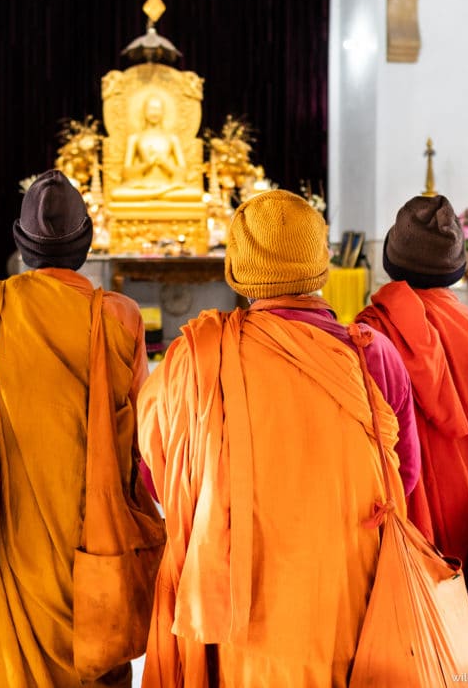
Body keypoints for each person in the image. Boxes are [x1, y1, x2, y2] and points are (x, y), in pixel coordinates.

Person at [138, 189, 420, 687]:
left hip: (243, 603)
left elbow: (159, 478)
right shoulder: (372, 355)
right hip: (352, 595)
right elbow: (407, 478)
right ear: (322, 265)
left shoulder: (197, 358)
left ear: (238, 273)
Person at [0, 169, 156, 687]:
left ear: (22, 247)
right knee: (93, 654)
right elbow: (145, 429)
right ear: (86, 246)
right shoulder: (121, 317)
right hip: (92, 534)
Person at [355, 194, 468, 685]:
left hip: (409, 520)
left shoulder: (372, 337)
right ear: (457, 269)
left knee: (413, 644)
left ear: (391, 263)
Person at [112, 94, 202, 202]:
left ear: (163, 112)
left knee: (195, 194)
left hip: (169, 187)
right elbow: (126, 172)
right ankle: (152, 196)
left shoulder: (172, 138)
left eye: (158, 109)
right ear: (144, 112)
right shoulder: (135, 138)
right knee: (117, 193)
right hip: (141, 187)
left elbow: (182, 172)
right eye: (151, 109)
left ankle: (155, 196)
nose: (154, 113)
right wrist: (146, 164)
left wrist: (165, 164)